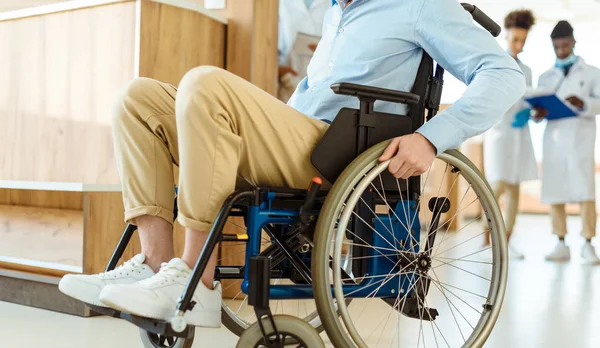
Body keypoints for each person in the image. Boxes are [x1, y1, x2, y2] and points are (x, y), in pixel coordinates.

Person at [59, 0, 525, 327]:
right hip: (299, 136)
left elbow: (506, 75)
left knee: (205, 82)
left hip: (334, 154)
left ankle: (195, 280)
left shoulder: (419, 5)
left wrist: (431, 137)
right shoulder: (337, 15)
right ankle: (157, 264)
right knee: (137, 97)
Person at [535, 21, 600, 264]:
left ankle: (588, 243)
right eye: (556, 47)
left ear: (573, 42)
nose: (561, 51)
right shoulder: (545, 77)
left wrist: (582, 102)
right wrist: (538, 113)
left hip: (580, 139)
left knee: (585, 191)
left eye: (565, 45)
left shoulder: (592, 73)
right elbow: (537, 107)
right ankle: (560, 243)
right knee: (555, 191)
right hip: (554, 140)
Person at [483, 10, 537, 260]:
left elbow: (526, 99)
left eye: (522, 41)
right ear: (506, 35)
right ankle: (487, 242)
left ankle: (506, 242)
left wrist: (532, 112)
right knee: (496, 187)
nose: (519, 45)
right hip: (499, 133)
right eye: (515, 39)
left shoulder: (526, 70)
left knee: (515, 187)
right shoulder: (494, 61)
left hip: (519, 134)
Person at [278, 0, 330, 102]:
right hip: (290, 79)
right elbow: (274, 42)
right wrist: (278, 70)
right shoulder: (282, 3)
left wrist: (325, 49)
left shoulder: (334, 4)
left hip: (323, 81)